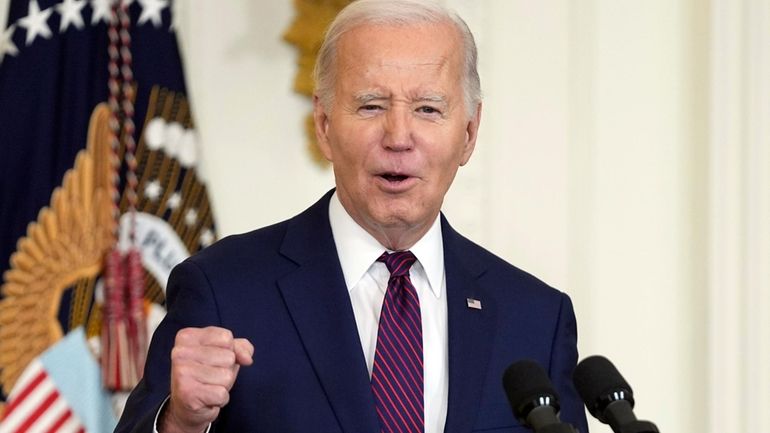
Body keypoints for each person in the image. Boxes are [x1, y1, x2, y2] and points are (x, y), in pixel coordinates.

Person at [115, 1, 589, 432]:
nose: (399, 136)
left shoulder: (536, 320)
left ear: (468, 133)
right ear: (324, 126)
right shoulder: (223, 289)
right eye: (371, 106)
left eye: (428, 108)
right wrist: (179, 422)